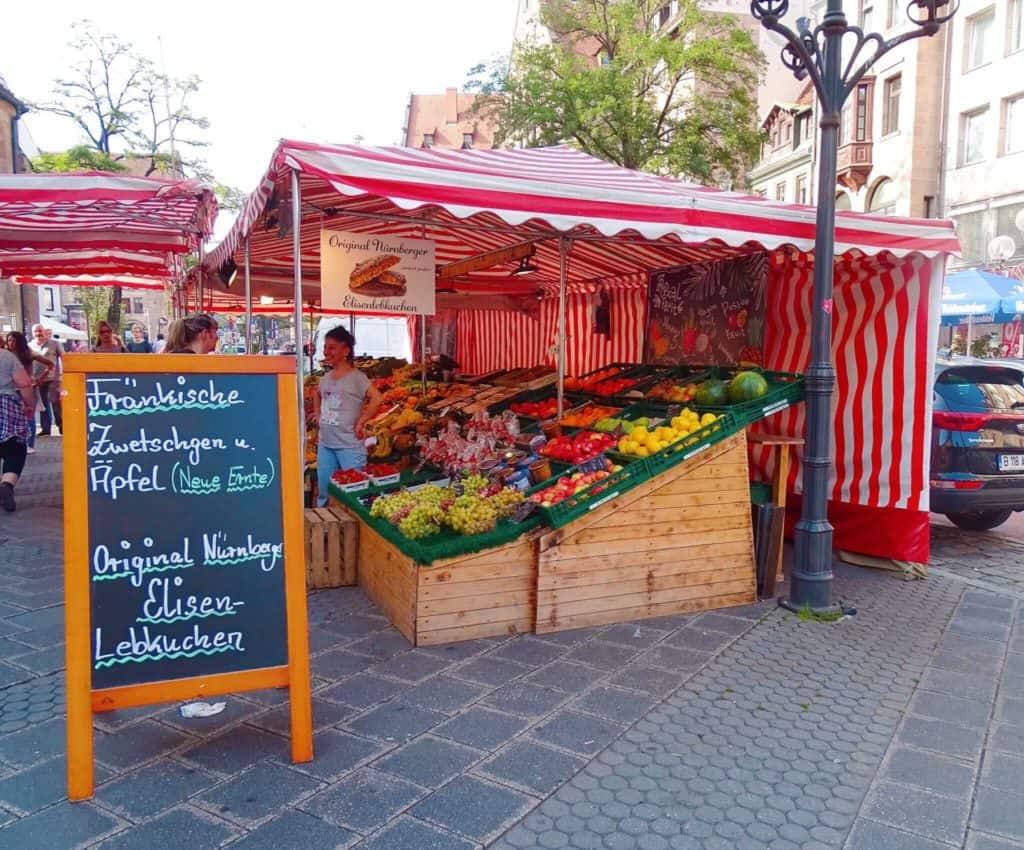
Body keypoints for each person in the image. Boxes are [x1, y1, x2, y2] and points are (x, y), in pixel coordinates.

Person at [311, 327, 383, 507]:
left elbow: (377, 398)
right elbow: (316, 394)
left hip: (349, 446)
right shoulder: (326, 376)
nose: (327, 352)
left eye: (332, 347)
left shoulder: (357, 377)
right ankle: (325, 530)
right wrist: (319, 415)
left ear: (346, 350)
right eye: (325, 347)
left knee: (353, 495)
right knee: (324, 492)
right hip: (326, 445)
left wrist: (361, 421)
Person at [0, 342, 36, 512]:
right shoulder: (5, 356)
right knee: (14, 448)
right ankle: (7, 485)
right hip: (4, 405)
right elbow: (24, 383)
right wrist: (30, 405)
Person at [5, 332, 53, 456]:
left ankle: (29, 444)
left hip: (28, 388)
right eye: (9, 340)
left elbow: (50, 364)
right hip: (11, 389)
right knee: (12, 416)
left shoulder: (28, 354)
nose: (11, 343)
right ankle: (14, 442)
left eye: (13, 340)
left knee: (29, 415)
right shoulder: (6, 355)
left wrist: (39, 380)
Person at [29, 324, 63, 436]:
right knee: (43, 404)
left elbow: (64, 357)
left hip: (53, 378)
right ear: (33, 333)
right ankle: (46, 428)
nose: (38, 333)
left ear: (44, 331)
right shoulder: (30, 345)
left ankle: (61, 425)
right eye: (36, 331)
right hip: (38, 379)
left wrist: (64, 374)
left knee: (55, 402)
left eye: (40, 331)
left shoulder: (54, 343)